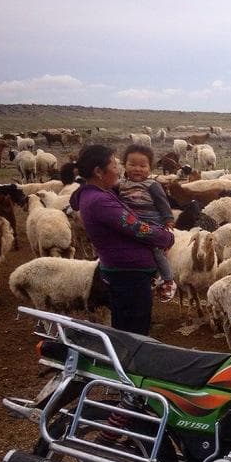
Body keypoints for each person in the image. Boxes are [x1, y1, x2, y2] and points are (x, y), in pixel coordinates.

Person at [70, 144, 174, 335]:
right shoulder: (100, 201)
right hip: (128, 274)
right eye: (115, 165)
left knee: (126, 324)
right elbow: (136, 227)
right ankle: (129, 364)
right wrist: (166, 237)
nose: (118, 170)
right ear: (99, 172)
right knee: (134, 330)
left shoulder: (99, 194)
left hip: (124, 271)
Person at [118, 143, 176, 301]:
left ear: (150, 168)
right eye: (132, 164)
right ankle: (150, 278)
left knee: (157, 251)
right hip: (131, 224)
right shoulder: (121, 185)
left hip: (151, 224)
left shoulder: (153, 185)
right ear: (124, 165)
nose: (138, 169)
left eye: (143, 165)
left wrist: (168, 219)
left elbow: (162, 203)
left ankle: (168, 280)